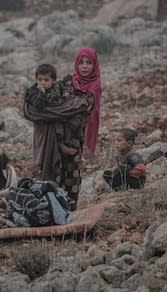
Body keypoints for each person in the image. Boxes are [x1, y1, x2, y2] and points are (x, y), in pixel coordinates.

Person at [24, 48, 101, 210]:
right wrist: (60, 110)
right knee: (52, 175)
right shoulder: (67, 81)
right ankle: (52, 210)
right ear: (76, 64)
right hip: (52, 139)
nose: (85, 66)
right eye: (81, 62)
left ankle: (69, 211)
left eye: (89, 63)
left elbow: (81, 110)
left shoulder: (94, 88)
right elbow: (34, 109)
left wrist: (53, 112)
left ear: (95, 65)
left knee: (71, 176)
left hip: (73, 138)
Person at [24, 64, 82, 181]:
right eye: (40, 80)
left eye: (46, 80)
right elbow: (38, 106)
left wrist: (66, 94)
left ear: (53, 81)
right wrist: (41, 94)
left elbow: (64, 90)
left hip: (57, 120)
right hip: (44, 125)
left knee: (66, 122)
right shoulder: (34, 91)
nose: (43, 82)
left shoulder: (57, 86)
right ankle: (61, 145)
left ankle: (62, 143)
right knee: (56, 125)